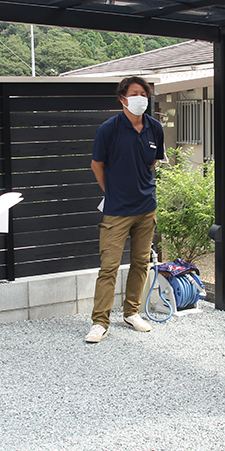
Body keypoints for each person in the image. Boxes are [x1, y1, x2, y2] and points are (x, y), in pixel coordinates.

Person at [86, 76, 164, 343]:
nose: (141, 97)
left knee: (141, 263)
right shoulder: (109, 129)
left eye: (144, 93)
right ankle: (100, 322)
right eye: (135, 93)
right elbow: (97, 165)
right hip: (117, 210)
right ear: (122, 98)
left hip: (146, 208)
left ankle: (132, 312)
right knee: (108, 266)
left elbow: (152, 162)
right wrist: (113, 191)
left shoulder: (155, 128)